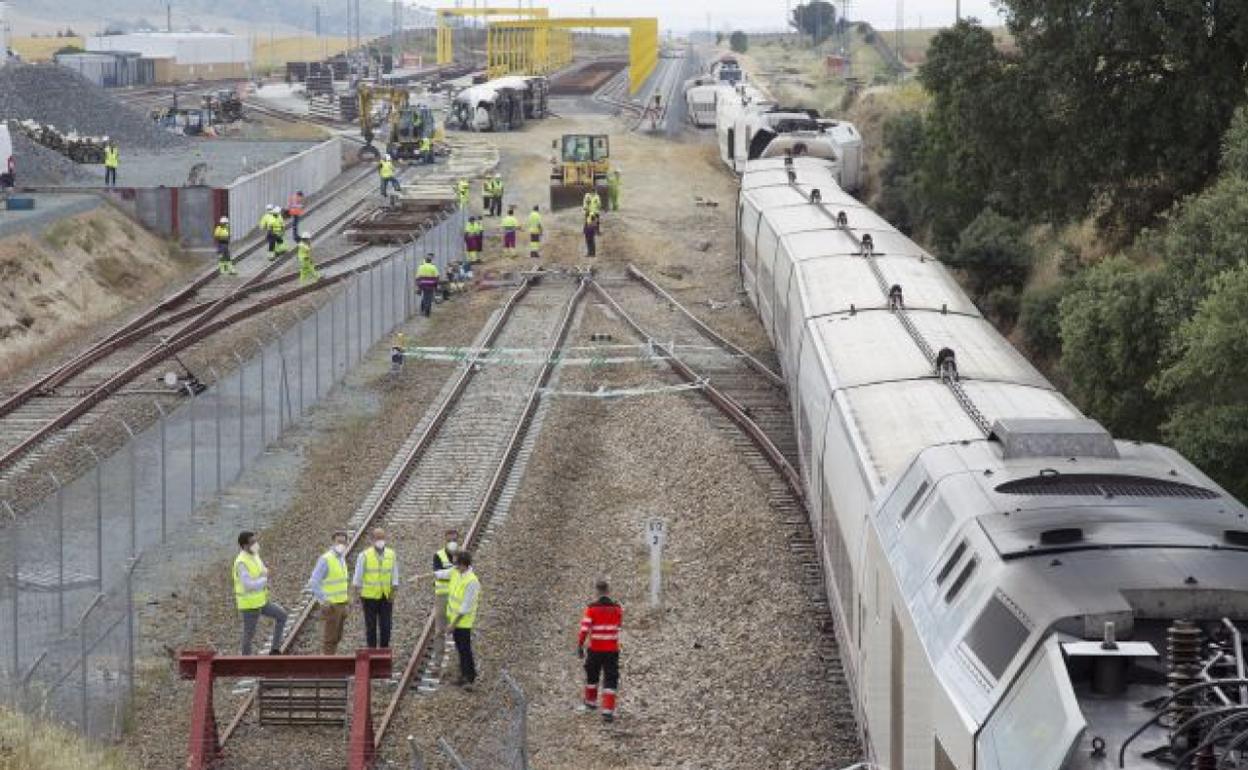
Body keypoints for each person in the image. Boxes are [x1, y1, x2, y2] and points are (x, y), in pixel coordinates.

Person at [233, 531, 287, 656]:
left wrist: (266, 572)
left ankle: (274, 650)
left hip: (261, 601)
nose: (256, 544)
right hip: (249, 605)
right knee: (249, 634)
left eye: (256, 541)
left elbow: (262, 569)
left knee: (282, 616)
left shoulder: (255, 554)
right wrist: (264, 579)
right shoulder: (241, 562)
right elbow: (248, 585)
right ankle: (246, 662)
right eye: (252, 542)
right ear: (244, 546)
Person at [577, 579, 623, 722]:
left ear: (596, 591)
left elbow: (584, 629)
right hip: (611, 650)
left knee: (592, 675)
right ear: (608, 591)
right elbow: (619, 625)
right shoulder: (617, 609)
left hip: (595, 649)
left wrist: (580, 645)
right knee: (611, 678)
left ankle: (591, 703)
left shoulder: (591, 609)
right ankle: (607, 711)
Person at [434, 551, 480, 689]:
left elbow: (465, 606)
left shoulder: (472, 582)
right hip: (454, 618)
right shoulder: (456, 572)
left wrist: (452, 625)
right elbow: (442, 574)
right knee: (460, 649)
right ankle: (463, 675)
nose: (454, 567)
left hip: (463, 622)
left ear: (463, 564)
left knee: (465, 649)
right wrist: (423, 576)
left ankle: (470, 678)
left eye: (457, 564)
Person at [305, 530, 350, 654]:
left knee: (337, 637)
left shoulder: (341, 558)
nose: (341, 544)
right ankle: (328, 664)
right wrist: (323, 600)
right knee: (330, 638)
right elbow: (314, 581)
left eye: (344, 542)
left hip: (341, 603)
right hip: (331, 605)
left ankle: (331, 660)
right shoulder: (326, 559)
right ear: (333, 542)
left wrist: (345, 603)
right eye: (339, 541)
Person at [353, 527, 398, 649]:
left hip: (386, 596)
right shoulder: (364, 555)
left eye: (382, 537)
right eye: (377, 538)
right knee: (371, 626)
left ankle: (384, 649)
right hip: (369, 597)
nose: (380, 540)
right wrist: (357, 594)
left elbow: (394, 574)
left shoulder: (391, 554)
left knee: (386, 625)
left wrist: (394, 591)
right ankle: (371, 650)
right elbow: (358, 577)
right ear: (372, 539)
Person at [431, 530, 459, 662]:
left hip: (457, 597)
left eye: (454, 540)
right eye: (449, 540)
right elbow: (438, 573)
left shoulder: (461, 555)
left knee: (459, 630)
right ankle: (438, 661)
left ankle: (456, 662)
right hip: (442, 596)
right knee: (439, 630)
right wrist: (453, 571)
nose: (451, 543)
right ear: (445, 541)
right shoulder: (438, 555)